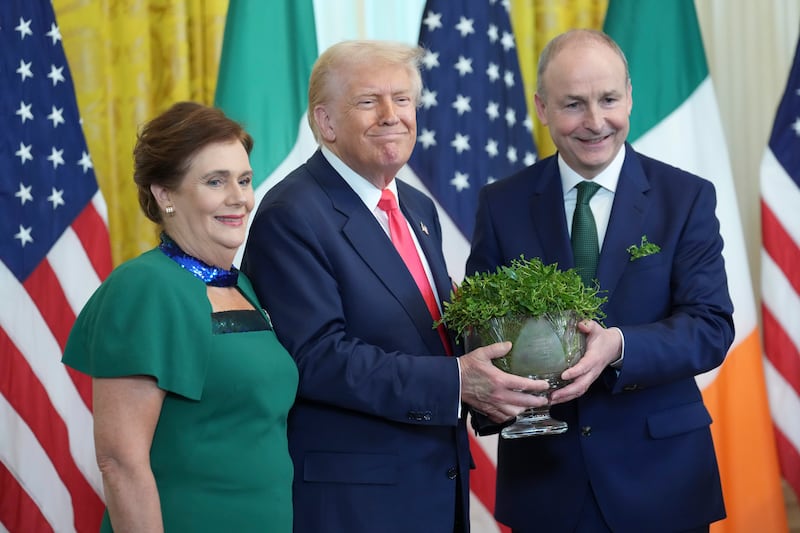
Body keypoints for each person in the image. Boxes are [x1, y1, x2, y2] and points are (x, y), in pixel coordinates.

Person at [240, 40, 548, 533]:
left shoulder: (416, 209)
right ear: (325, 122)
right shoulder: (292, 214)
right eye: (368, 101)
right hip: (357, 502)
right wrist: (456, 382)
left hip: (433, 489)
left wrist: (501, 380)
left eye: (403, 100)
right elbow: (316, 356)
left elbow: (434, 339)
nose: (392, 115)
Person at [466, 29, 735, 533]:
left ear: (630, 95)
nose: (595, 122)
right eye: (573, 104)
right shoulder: (500, 205)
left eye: (608, 99)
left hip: (662, 482)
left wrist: (618, 346)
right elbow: (482, 329)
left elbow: (711, 327)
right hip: (545, 486)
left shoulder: (686, 197)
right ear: (541, 107)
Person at [62, 102, 298, 532]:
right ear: (164, 194)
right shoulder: (145, 287)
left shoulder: (242, 286)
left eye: (244, 180)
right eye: (215, 181)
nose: (239, 198)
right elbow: (119, 461)